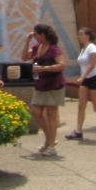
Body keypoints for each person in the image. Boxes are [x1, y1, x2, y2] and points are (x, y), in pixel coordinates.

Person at [22, 24, 66, 156]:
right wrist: (26, 42)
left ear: (44, 35)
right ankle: (49, 139)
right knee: (36, 111)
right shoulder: (36, 47)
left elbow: (61, 65)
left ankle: (51, 146)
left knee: (51, 114)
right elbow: (24, 57)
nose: (35, 36)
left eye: (36, 34)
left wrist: (44, 69)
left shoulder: (54, 49)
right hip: (41, 85)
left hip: (53, 85)